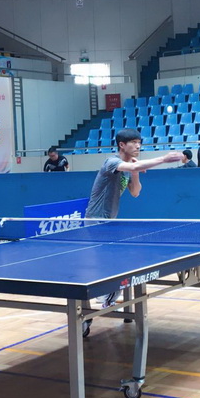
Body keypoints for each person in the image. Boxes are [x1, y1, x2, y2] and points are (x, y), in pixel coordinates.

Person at [85, 128, 182, 307]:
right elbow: (133, 166)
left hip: (109, 220)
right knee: (112, 260)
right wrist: (163, 159)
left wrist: (136, 173)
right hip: (96, 220)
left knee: (109, 260)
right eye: (134, 142)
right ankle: (106, 300)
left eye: (139, 142)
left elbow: (135, 192)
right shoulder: (111, 162)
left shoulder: (129, 168)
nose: (138, 146)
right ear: (122, 145)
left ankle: (105, 297)